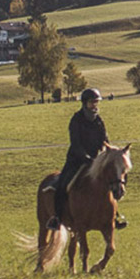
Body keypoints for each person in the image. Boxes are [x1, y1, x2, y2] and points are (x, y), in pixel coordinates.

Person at [48, 88, 117, 230]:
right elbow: (76, 143)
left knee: (111, 183)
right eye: (92, 102)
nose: (95, 105)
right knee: (63, 184)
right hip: (76, 160)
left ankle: (115, 215)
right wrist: (86, 158)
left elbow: (105, 139)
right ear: (85, 103)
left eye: (96, 102)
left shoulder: (99, 120)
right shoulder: (76, 120)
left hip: (96, 161)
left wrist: (109, 153)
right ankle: (57, 217)